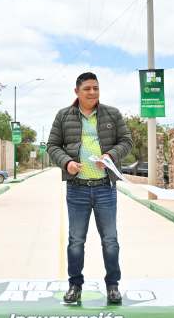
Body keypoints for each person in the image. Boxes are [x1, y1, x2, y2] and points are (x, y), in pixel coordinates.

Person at [47, 72, 133, 305]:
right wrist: (67, 163)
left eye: (96, 88)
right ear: (77, 91)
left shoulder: (112, 114)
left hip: (105, 188)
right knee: (76, 240)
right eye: (87, 88)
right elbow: (52, 146)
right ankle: (75, 286)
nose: (92, 92)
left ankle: (113, 286)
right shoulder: (63, 116)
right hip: (77, 189)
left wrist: (110, 155)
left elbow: (126, 141)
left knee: (110, 240)